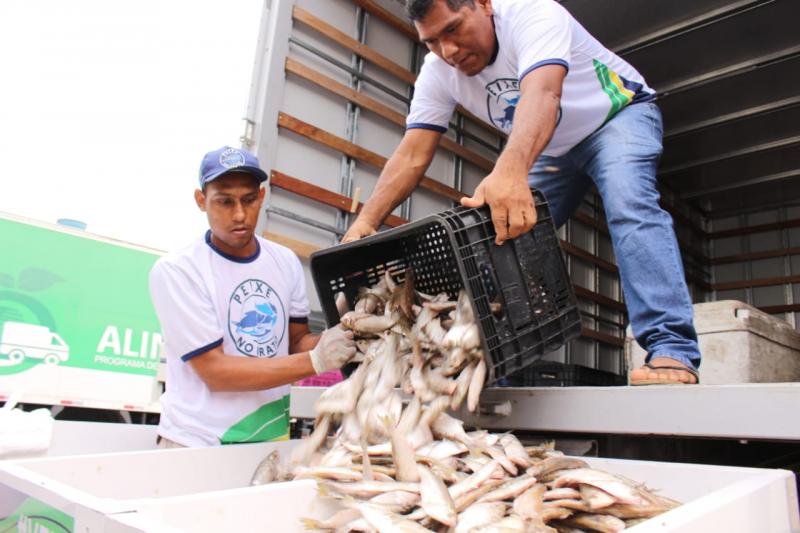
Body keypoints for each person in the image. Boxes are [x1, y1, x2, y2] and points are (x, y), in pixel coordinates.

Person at [342, 0, 700, 385]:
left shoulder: (533, 13)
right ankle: (496, 368)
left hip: (616, 114)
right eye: (432, 41)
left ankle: (671, 348)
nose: (448, 50)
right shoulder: (438, 71)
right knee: (495, 237)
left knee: (629, 203)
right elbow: (413, 153)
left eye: (453, 29)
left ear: (484, 4)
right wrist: (365, 221)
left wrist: (510, 172)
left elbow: (543, 95)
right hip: (554, 147)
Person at [149, 146, 356, 447]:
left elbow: (295, 342)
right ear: (201, 201)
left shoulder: (285, 261)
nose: (239, 215)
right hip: (197, 444)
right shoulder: (179, 270)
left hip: (267, 439)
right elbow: (215, 371)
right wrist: (316, 359)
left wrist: (343, 335)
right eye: (224, 201)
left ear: (261, 197)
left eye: (248, 200)